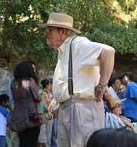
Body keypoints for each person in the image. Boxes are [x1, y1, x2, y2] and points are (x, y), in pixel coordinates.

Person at [43, 13, 115, 147]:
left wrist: (102, 84)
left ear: (63, 32)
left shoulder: (78, 44)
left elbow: (108, 52)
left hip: (82, 108)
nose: (47, 34)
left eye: (50, 30)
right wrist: (57, 101)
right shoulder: (63, 52)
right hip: (69, 108)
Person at [8, 61, 44, 147]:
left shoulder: (14, 83)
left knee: (23, 143)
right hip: (31, 118)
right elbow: (38, 98)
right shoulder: (29, 81)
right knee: (32, 143)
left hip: (18, 118)